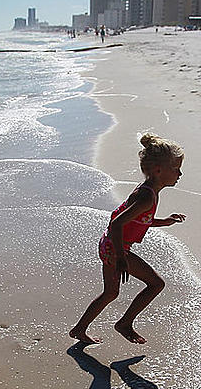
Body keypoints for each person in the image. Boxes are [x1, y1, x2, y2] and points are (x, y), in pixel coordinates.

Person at [69, 134, 186, 345]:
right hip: (116, 247)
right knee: (156, 284)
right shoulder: (147, 196)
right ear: (159, 170)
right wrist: (122, 258)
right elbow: (117, 224)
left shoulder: (148, 190)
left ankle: (79, 329)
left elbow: (139, 220)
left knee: (111, 293)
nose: (180, 173)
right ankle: (124, 323)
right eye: (176, 168)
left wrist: (164, 221)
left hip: (108, 244)